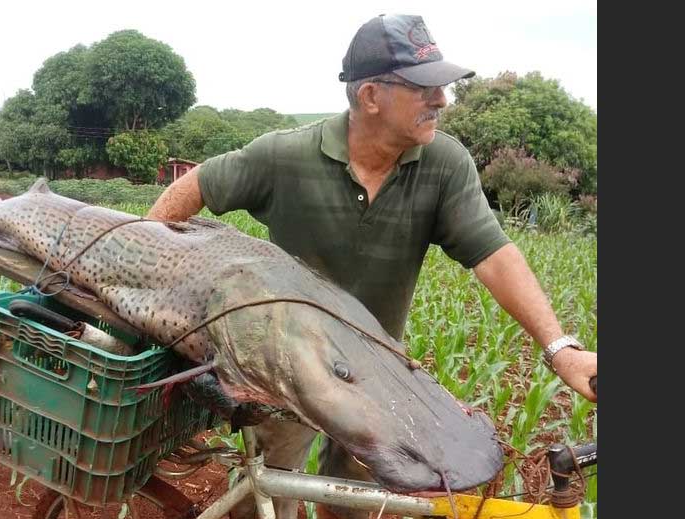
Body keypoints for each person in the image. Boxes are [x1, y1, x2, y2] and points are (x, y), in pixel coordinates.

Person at [147, 14, 597, 519]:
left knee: (359, 505)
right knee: (270, 497)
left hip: (376, 377)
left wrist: (561, 349)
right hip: (283, 371)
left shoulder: (444, 165)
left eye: (442, 87)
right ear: (371, 96)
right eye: (425, 88)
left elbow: (494, 256)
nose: (442, 101)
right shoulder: (285, 155)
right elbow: (195, 186)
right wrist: (150, 259)